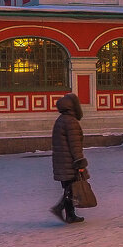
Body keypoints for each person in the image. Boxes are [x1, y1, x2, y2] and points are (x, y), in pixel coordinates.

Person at [49, 92, 87, 224]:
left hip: (61, 162)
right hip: (70, 162)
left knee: (69, 187)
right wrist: (80, 163)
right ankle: (59, 208)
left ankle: (70, 215)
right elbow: (75, 145)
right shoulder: (71, 122)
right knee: (72, 188)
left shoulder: (60, 120)